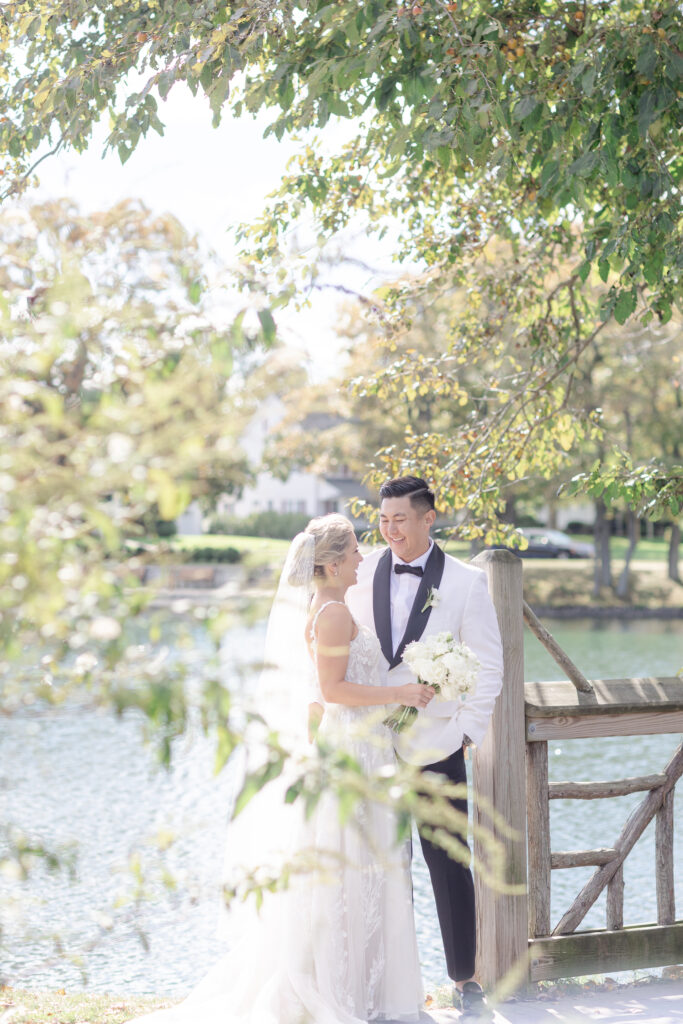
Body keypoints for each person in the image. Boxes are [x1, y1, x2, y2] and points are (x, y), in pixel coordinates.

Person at [125, 513, 434, 1024]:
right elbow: (334, 692)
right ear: (334, 565)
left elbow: (316, 702)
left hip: (356, 751)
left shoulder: (329, 606)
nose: (362, 559)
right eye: (355, 551)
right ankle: (346, 993)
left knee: (361, 871)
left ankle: (363, 988)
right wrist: (398, 694)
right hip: (353, 756)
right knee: (353, 870)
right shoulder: (332, 614)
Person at [346, 477, 504, 1021]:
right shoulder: (360, 571)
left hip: (437, 745)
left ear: (428, 518)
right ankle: (393, 983)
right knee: (379, 865)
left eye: (401, 520)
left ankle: (466, 980)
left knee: (447, 862)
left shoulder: (465, 582)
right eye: (384, 520)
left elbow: (488, 666)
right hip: (370, 744)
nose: (390, 530)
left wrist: (465, 733)